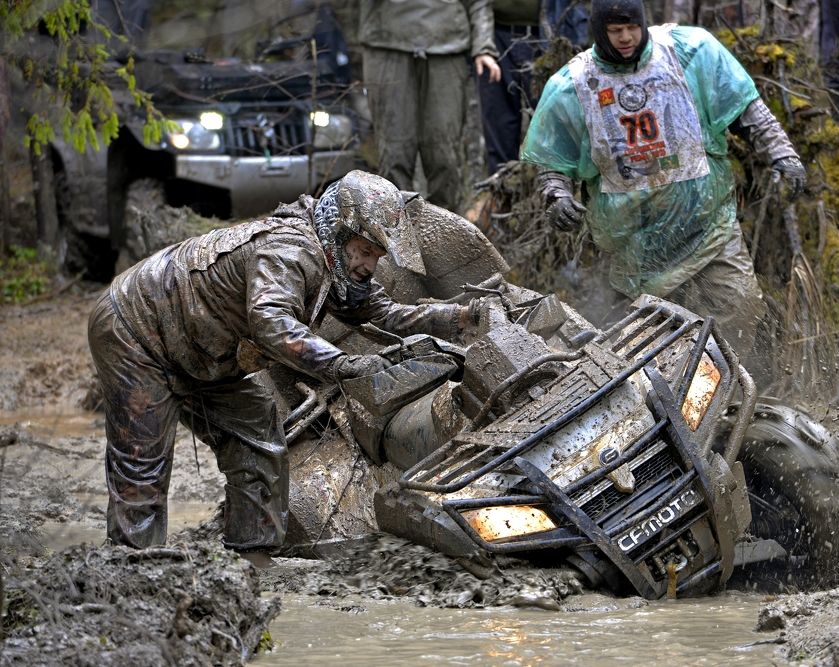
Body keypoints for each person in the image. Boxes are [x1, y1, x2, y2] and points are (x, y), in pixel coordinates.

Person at [88, 170, 476, 554]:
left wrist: (459, 317)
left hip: (203, 351)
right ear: (341, 232)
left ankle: (252, 557)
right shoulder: (290, 249)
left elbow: (386, 314)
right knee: (143, 464)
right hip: (137, 331)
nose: (371, 265)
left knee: (258, 432)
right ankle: (133, 566)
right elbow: (272, 322)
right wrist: (341, 365)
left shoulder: (335, 262)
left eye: (378, 256)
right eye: (367, 250)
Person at [520, 0, 805, 359]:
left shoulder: (690, 53)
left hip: (708, 226)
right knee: (645, 346)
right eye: (615, 30)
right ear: (598, 31)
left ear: (644, 22)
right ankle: (668, 407)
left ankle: (732, 399)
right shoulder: (573, 86)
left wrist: (782, 153)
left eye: (632, 28)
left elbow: (746, 109)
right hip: (633, 249)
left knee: (739, 308)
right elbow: (553, 159)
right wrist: (557, 196)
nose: (625, 38)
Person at [359, 0, 501, 211]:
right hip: (386, 42)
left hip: (446, 45)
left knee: (444, 152)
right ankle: (394, 231)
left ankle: (444, 231)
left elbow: (479, 2)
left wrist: (484, 47)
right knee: (394, 152)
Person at [476, 0, 589, 175]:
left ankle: (553, 188)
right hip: (496, 37)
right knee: (499, 121)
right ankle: (502, 188)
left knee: (551, 121)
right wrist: (482, 46)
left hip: (550, 34)